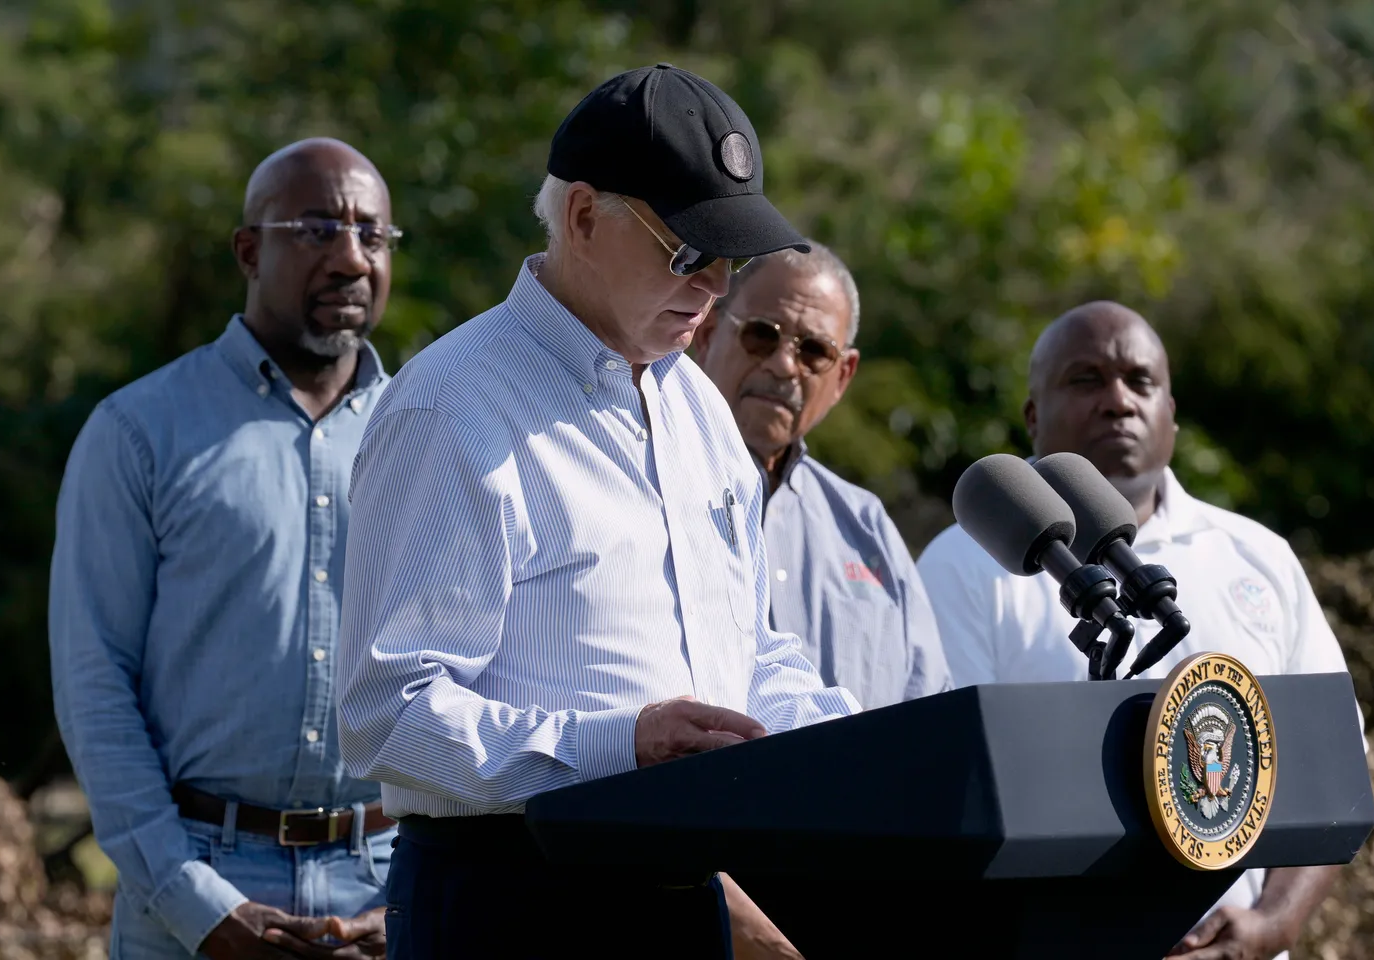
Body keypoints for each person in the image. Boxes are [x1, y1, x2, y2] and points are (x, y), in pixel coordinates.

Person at [336, 64, 859, 960]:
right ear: (583, 216)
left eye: (732, 255)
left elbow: (744, 656)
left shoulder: (697, 407)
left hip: (684, 901)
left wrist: (857, 745)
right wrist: (620, 746)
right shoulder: (452, 408)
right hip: (510, 899)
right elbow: (388, 714)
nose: (717, 285)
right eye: (689, 249)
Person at [50, 138, 399, 960]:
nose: (351, 257)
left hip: (386, 888)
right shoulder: (139, 434)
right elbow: (94, 685)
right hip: (195, 888)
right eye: (317, 228)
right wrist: (191, 901)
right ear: (250, 250)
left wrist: (414, 894)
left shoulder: (429, 436)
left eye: (372, 235)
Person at [917, 300, 1350, 960]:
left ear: (1171, 413)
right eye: (1085, 379)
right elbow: (947, 780)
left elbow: (1335, 768)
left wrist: (1271, 927)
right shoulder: (965, 562)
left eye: (1140, 381)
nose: (1117, 401)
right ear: (1033, 415)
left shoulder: (1257, 556)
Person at [693, 245, 950, 708]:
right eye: (761, 336)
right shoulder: (642, 486)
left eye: (814, 351)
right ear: (707, 334)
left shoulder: (866, 528)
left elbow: (929, 711)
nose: (784, 366)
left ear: (843, 376)